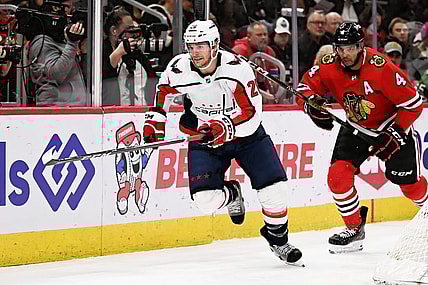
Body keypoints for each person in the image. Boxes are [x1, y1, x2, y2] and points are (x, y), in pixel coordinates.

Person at [145, 20, 303, 266]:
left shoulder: (237, 69)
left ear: (215, 45)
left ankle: (278, 240)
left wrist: (225, 126)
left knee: (274, 190)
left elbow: (251, 114)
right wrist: (156, 121)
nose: (195, 52)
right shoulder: (179, 68)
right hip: (204, 135)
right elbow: (163, 92)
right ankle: (232, 194)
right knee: (204, 202)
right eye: (191, 46)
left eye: (201, 46)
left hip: (246, 135)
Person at [296, 22, 427, 254]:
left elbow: (413, 104)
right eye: (340, 48)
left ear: (361, 46)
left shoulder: (380, 67)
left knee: (409, 186)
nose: (345, 54)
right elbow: (304, 88)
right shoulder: (329, 65)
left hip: (391, 127)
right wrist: (311, 105)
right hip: (356, 127)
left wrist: (396, 133)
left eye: (351, 48)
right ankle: (354, 229)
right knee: (338, 177)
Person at [28, 0, 88, 106]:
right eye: (68, 8)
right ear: (56, 8)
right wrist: (72, 44)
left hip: (71, 110)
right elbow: (55, 75)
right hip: (55, 113)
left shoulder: (63, 40)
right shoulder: (41, 42)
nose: (70, 14)